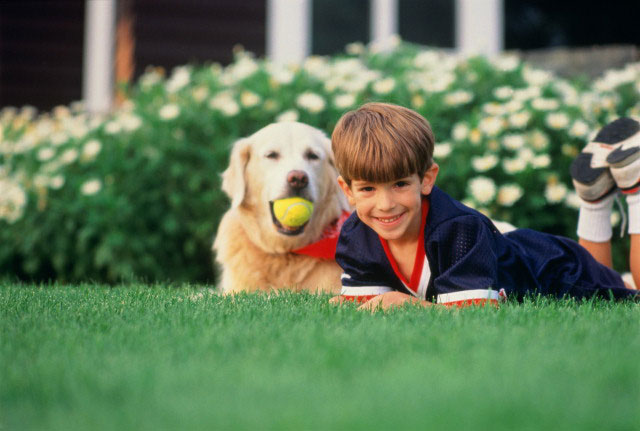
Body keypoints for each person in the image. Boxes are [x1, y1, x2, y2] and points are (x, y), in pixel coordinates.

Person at [328, 102, 639, 311]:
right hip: (515, 252)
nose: (385, 204)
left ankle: (635, 191)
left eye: (399, 184)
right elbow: (367, 302)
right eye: (367, 188)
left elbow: (475, 314)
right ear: (348, 191)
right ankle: (595, 200)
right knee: (614, 279)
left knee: (626, 294)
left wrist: (404, 303)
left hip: (554, 272)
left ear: (426, 179)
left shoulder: (459, 230)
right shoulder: (357, 232)